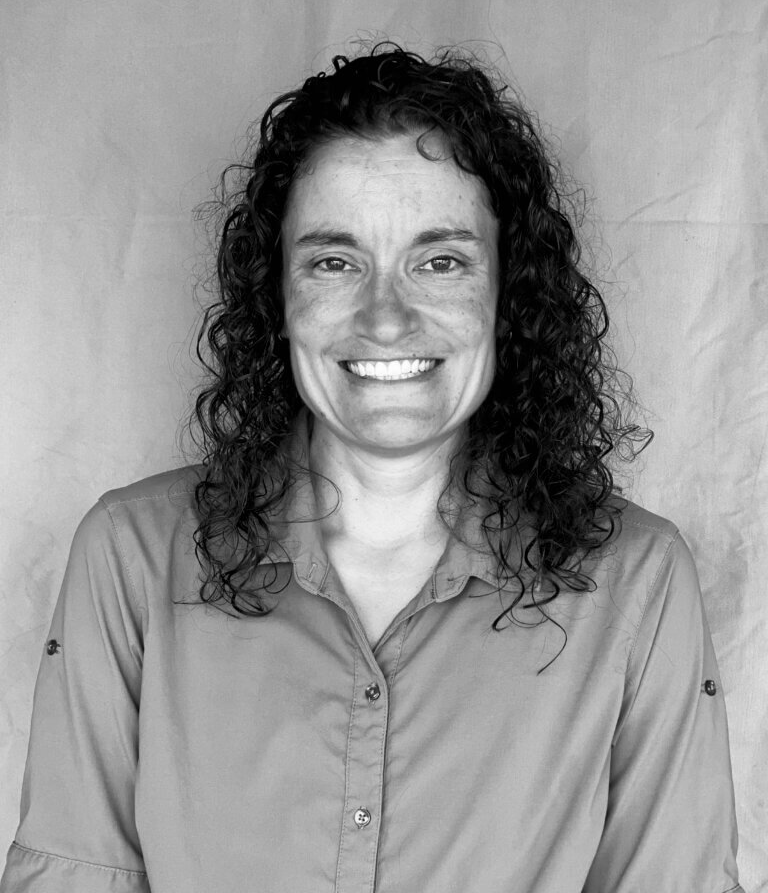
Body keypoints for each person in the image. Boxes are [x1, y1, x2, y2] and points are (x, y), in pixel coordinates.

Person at [1, 45, 743, 893]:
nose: (386, 319)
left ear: (507, 297)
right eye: (335, 261)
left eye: (440, 261)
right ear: (278, 298)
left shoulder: (637, 581)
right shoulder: (132, 556)